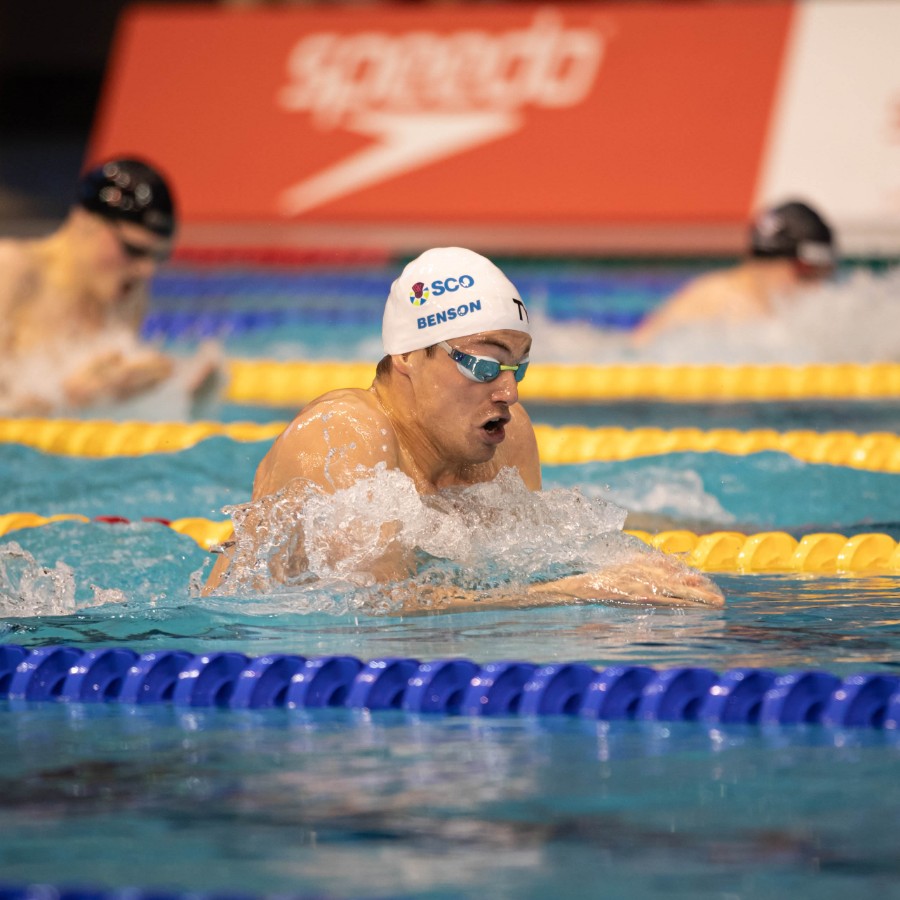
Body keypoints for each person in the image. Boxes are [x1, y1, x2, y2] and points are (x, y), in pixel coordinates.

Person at [205, 247, 723, 611]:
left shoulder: (507, 434)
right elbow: (372, 610)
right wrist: (580, 590)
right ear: (408, 354)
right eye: (483, 364)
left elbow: (521, 572)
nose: (509, 392)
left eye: (517, 366)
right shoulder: (343, 433)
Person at [0, 157, 217, 415]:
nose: (146, 269)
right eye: (133, 249)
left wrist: (181, 395)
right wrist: (67, 396)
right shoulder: (13, 269)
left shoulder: (128, 294)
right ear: (85, 223)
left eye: (157, 256)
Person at [632, 200, 837, 346]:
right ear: (777, 261)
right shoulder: (730, 305)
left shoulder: (734, 294)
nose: (816, 286)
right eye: (808, 271)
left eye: (824, 273)